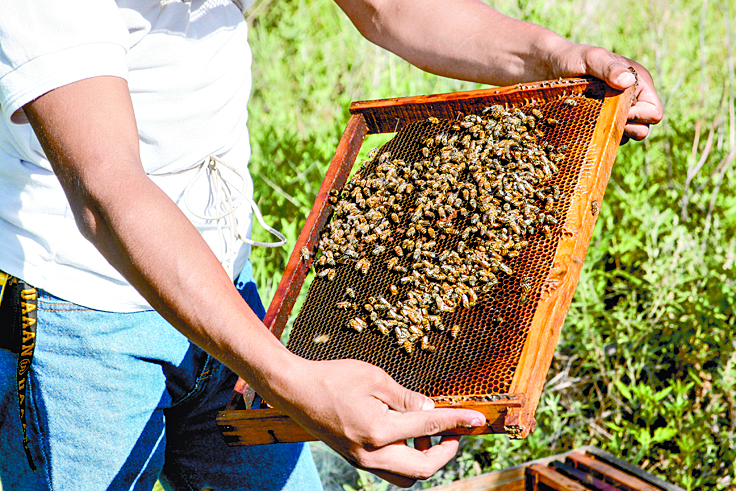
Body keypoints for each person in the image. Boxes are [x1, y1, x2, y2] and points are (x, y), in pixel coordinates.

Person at [0, 0, 662, 489]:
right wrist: (293, 381)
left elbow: (391, 7)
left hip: (226, 281)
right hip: (79, 313)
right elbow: (107, 188)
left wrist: (552, 55)